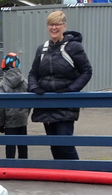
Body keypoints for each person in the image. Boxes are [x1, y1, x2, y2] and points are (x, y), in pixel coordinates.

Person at [28, 10, 93, 160]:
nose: (54, 28)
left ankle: (77, 174)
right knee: (54, 143)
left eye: (57, 24)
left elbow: (87, 71)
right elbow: (33, 73)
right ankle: (61, 175)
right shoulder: (42, 49)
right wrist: (34, 87)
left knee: (65, 142)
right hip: (46, 102)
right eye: (51, 24)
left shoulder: (73, 47)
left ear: (64, 26)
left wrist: (70, 90)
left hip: (65, 103)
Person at [0, 52, 29, 159]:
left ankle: (10, 168)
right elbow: (30, 102)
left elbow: (0, 107)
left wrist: (0, 123)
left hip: (9, 119)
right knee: (23, 145)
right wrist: (25, 114)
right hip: (22, 118)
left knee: (10, 146)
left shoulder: (3, 84)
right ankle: (24, 168)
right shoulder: (25, 82)